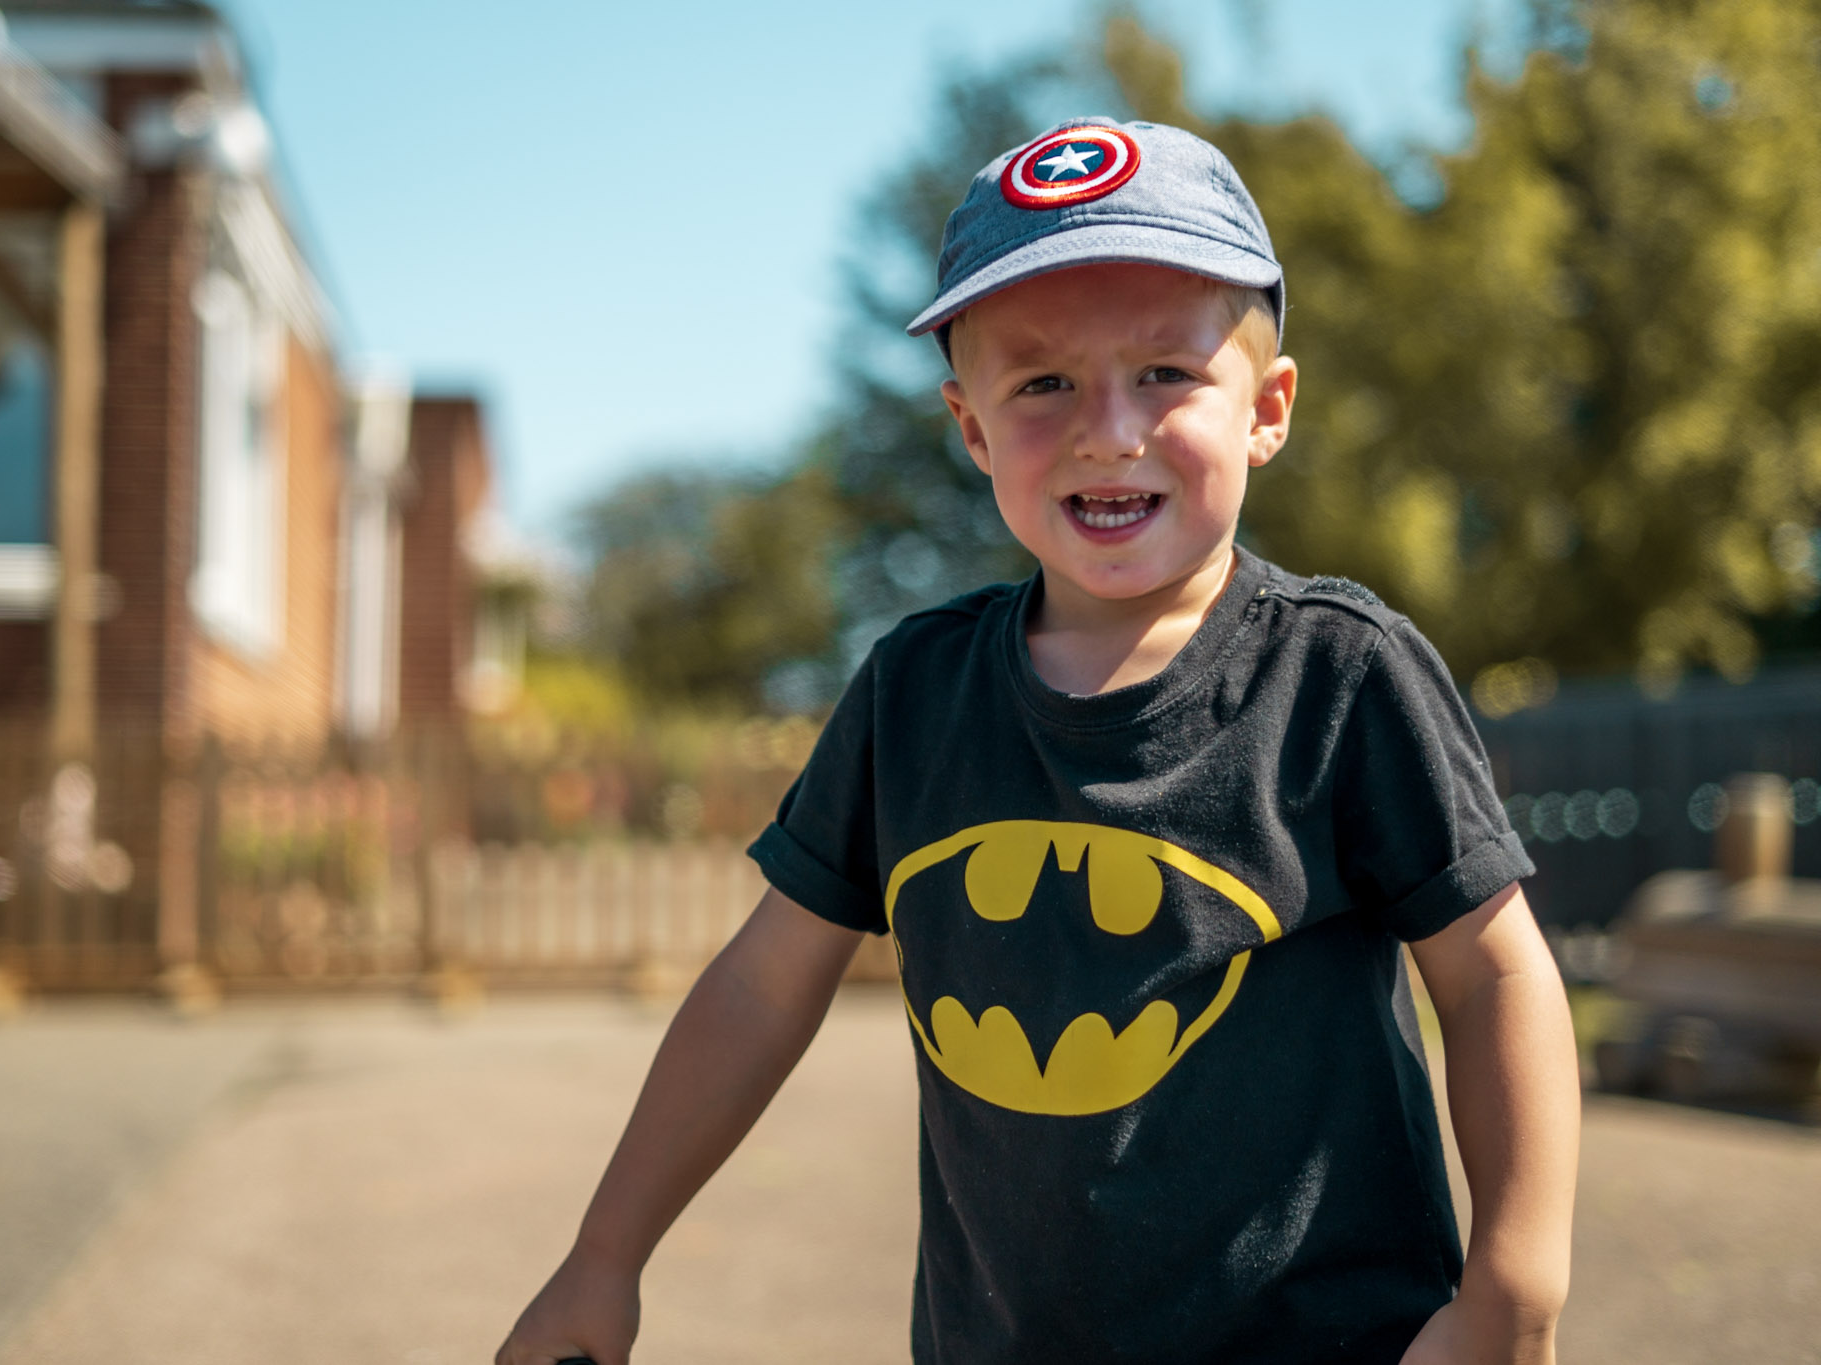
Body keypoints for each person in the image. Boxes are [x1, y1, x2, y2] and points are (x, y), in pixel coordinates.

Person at [497, 117, 1580, 1365]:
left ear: (1265, 410)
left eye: (1167, 374)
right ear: (969, 427)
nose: (1107, 430)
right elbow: (757, 986)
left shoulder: (1339, 675)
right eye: (1042, 382)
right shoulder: (912, 695)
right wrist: (602, 1258)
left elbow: (1494, 975)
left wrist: (1513, 1283)